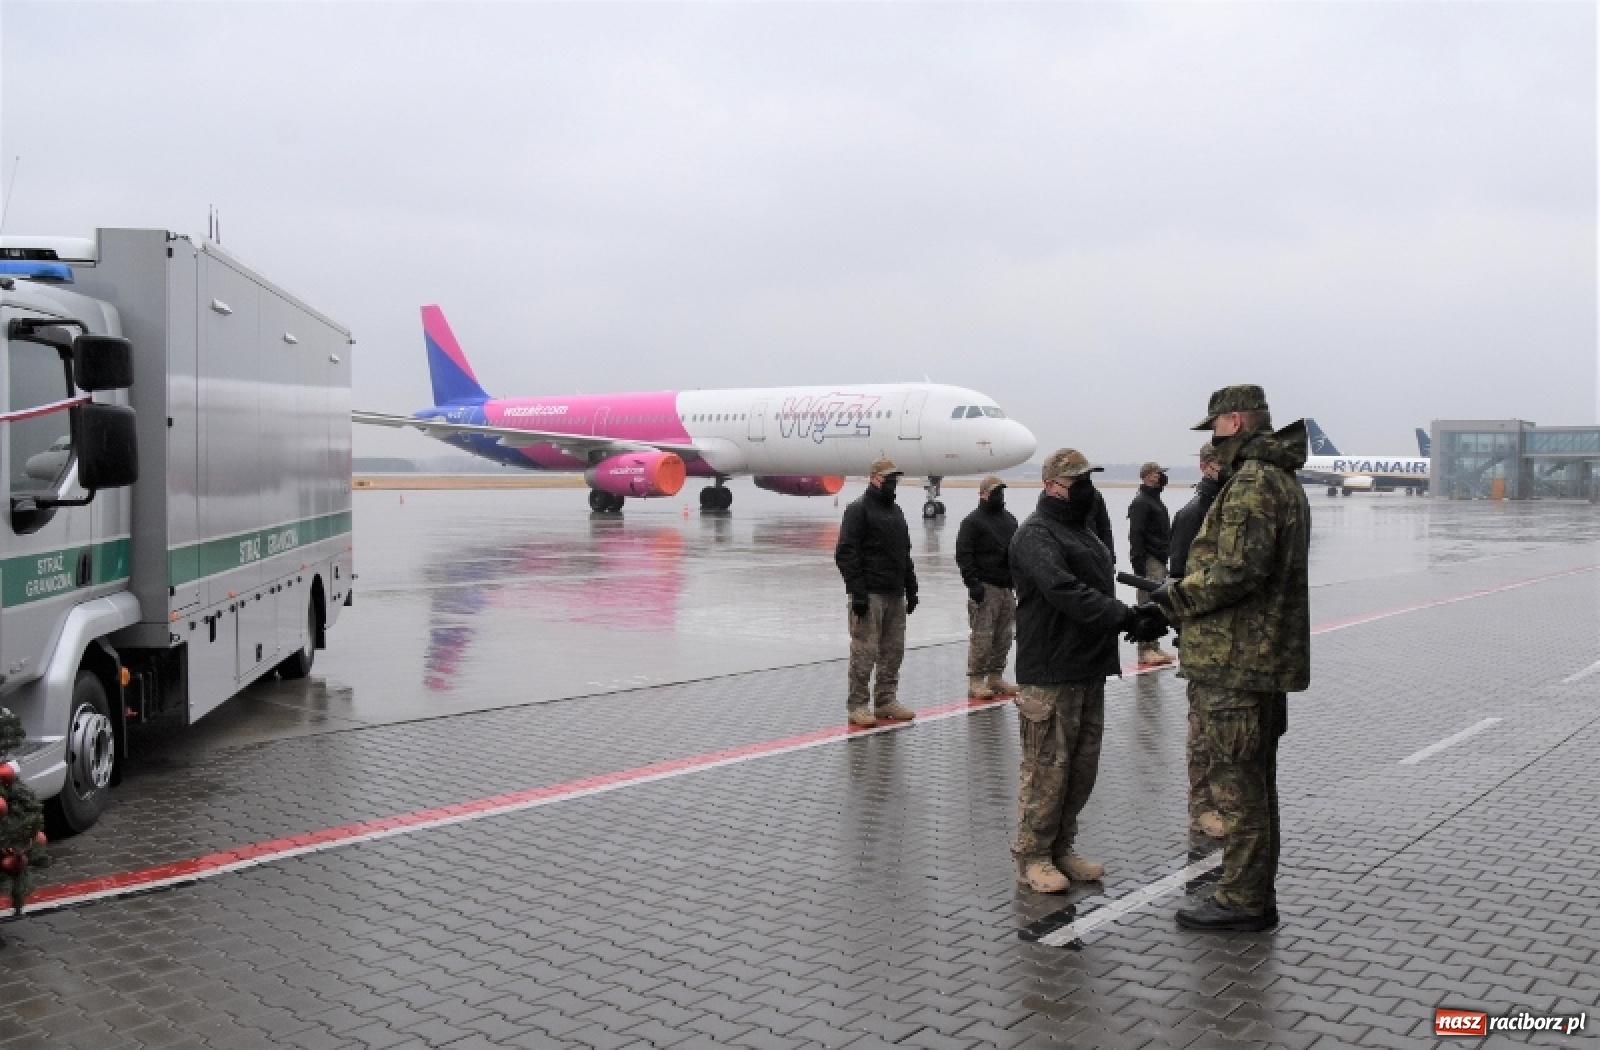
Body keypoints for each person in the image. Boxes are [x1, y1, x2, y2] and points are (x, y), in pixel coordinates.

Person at [1148, 385, 1311, 932]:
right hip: (1260, 662)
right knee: (1257, 785)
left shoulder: (1252, 483)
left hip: (1235, 665)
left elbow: (1237, 571)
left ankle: (1243, 901)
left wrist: (1171, 599)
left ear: (1235, 421)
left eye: (1215, 428)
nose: (1212, 441)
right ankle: (1251, 891)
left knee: (1238, 789)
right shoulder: (1282, 478)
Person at [1008, 449, 1169, 894]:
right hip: (1050, 671)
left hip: (1087, 666)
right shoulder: (1036, 535)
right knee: (1046, 770)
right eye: (1076, 481)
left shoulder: (1084, 532)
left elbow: (1101, 583)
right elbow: (1068, 592)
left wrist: (1142, 616)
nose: (1085, 489)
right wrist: (1125, 618)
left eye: (1088, 479)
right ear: (1051, 485)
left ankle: (1061, 846)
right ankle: (1032, 855)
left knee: (1080, 769)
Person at [835, 457, 919, 728]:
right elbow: (846, 553)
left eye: (895, 479)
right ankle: (858, 705)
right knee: (864, 652)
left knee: (893, 651)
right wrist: (857, 591)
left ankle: (886, 700)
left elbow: (904, 553)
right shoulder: (858, 510)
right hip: (870, 594)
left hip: (895, 593)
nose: (893, 484)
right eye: (889, 479)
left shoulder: (896, 512)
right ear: (874, 478)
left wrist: (911, 585)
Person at [956, 476, 1019, 700]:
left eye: (1001, 491)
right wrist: (972, 583)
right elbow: (964, 555)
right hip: (985, 586)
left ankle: (995, 675)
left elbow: (1016, 554)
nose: (998, 496)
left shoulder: (1010, 520)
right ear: (983, 494)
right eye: (994, 492)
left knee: (1004, 636)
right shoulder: (972, 521)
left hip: (1006, 587)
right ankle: (976, 679)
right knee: (982, 636)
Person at [1128, 461, 1175, 667]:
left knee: (1159, 602)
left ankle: (1154, 645)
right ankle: (1145, 649)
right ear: (1148, 476)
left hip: (1160, 557)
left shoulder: (1155, 500)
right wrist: (1138, 563)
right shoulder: (1141, 502)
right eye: (1158, 473)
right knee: (1147, 601)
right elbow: (1136, 534)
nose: (1161, 477)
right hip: (1148, 559)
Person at [1168, 443, 1221, 581]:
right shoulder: (1192, 513)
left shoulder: (1235, 504)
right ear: (1204, 467)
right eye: (1221, 463)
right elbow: (1178, 571)